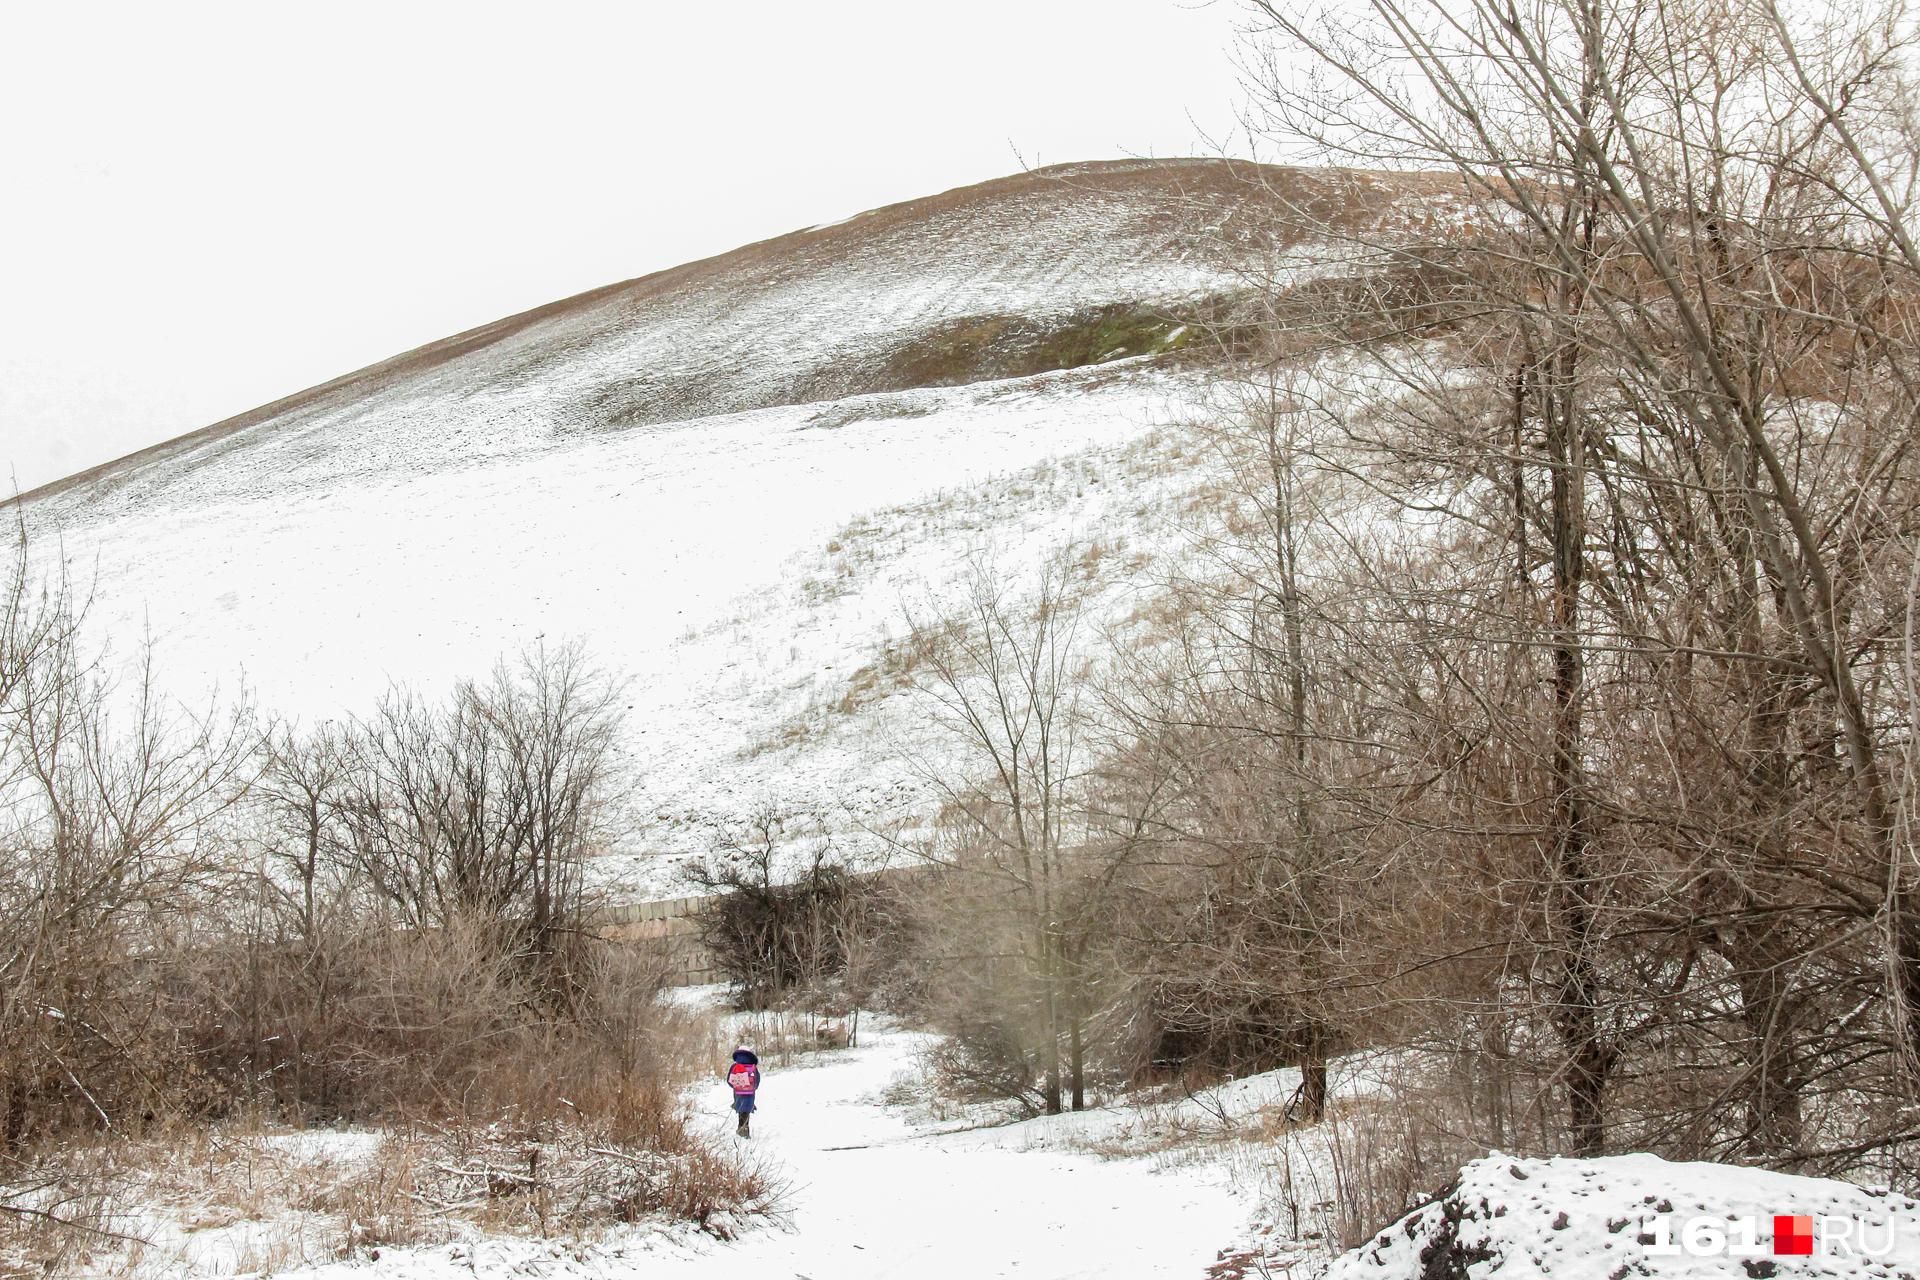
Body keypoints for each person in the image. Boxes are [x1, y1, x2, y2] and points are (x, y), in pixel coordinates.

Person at [727, 1046, 761, 1137]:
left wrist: (737, 1087)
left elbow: (729, 1081)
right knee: (746, 1112)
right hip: (750, 1095)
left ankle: (741, 1130)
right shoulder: (753, 1067)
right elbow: (756, 1083)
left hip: (738, 1094)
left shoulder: (734, 1066)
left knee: (741, 1112)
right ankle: (745, 1130)